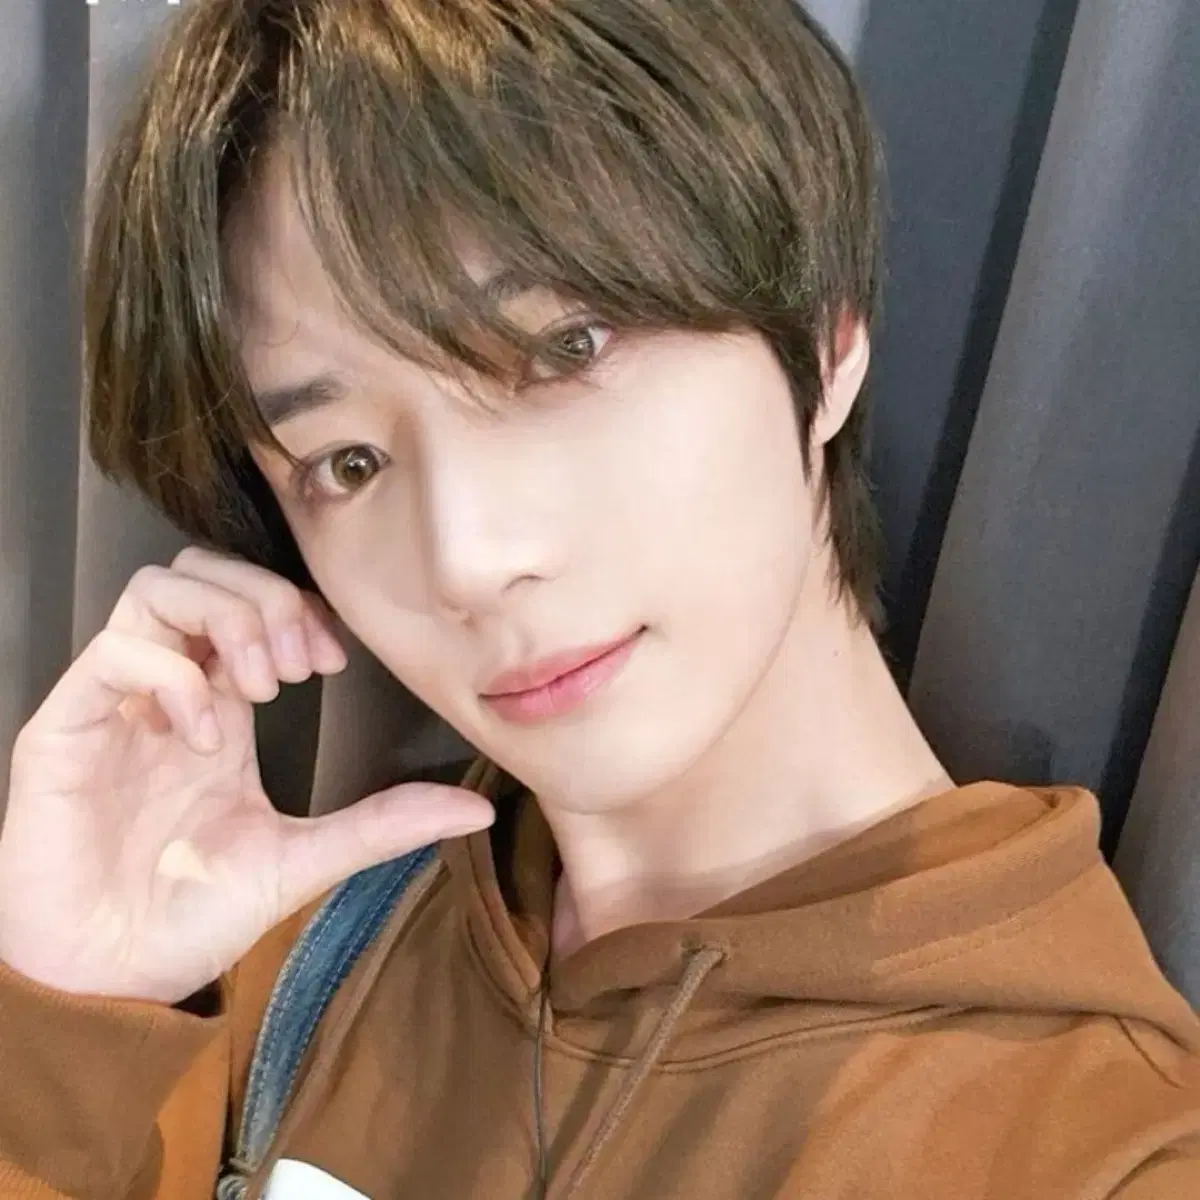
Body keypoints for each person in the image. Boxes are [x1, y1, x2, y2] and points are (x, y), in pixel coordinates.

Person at [1, 0, 1198, 1196]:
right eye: (348, 463)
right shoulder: (306, 953)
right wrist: (64, 1026)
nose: (466, 560)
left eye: (567, 349)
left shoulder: (1094, 1152)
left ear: (828, 340)